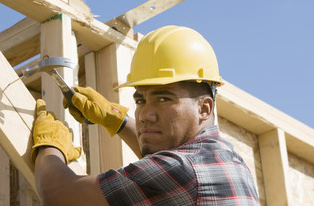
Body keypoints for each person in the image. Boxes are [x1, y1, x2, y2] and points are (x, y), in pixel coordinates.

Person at [32, 25, 260, 205]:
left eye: (164, 99)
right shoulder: (229, 160)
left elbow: (58, 195)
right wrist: (115, 119)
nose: (144, 115)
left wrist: (50, 147)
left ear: (204, 108)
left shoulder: (184, 170)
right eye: (140, 100)